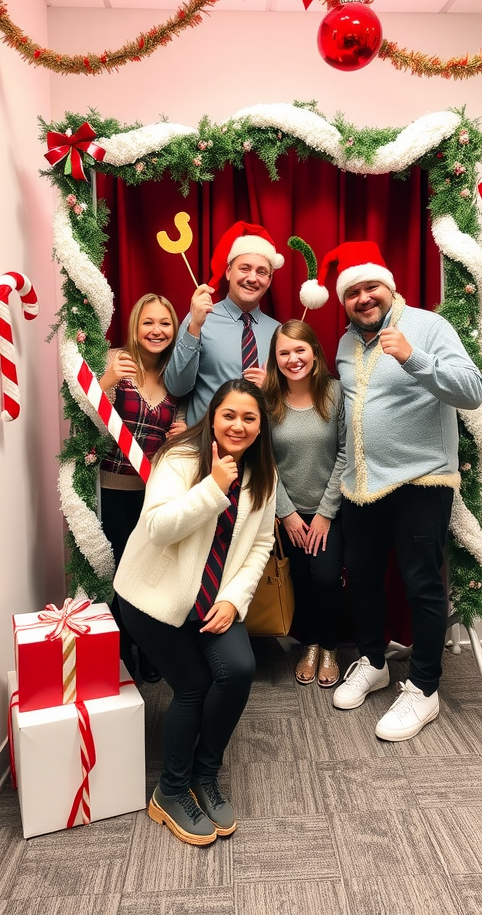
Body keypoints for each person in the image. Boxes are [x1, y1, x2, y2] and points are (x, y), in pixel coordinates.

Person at [301, 241, 482, 741]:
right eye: (353, 291)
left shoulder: (427, 326)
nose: (364, 297)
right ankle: (374, 660)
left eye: (372, 287)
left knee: (421, 583)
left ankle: (424, 688)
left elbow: (473, 390)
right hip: (363, 485)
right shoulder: (343, 343)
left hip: (421, 480)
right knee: (359, 577)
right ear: (344, 300)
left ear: (389, 286)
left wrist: (415, 358)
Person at [113, 379, 276, 845]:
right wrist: (213, 487)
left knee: (239, 669)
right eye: (229, 415)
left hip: (212, 598)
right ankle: (170, 790)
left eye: (249, 418)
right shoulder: (181, 458)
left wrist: (234, 599)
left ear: (261, 425)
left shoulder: (264, 471)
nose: (238, 426)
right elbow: (160, 528)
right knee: (194, 686)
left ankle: (205, 775)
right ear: (212, 415)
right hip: (153, 597)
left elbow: (260, 543)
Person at [99, 293, 186, 681]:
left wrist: (178, 435)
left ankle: (149, 647)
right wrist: (107, 381)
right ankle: (121, 651)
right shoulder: (116, 360)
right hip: (111, 487)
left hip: (153, 493)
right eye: (148, 322)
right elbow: (86, 416)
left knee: (148, 572)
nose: (157, 330)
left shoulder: (176, 375)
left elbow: (174, 435)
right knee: (117, 572)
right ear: (135, 325)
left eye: (165, 323)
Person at [264, 320, 345, 688]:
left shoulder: (336, 393)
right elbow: (265, 461)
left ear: (314, 351)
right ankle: (310, 645)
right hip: (289, 514)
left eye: (300, 350)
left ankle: (330, 646)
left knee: (327, 580)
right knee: (301, 582)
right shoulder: (267, 400)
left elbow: (346, 454)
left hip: (332, 510)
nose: (293, 358)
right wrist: (288, 513)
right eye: (284, 352)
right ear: (275, 357)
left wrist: (326, 514)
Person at [165, 221, 284, 425]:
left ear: (270, 280)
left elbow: (289, 400)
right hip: (204, 446)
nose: (253, 278)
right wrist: (194, 327)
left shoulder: (278, 332)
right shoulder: (201, 318)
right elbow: (176, 387)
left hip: (259, 447)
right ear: (229, 272)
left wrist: (271, 387)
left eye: (262, 272)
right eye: (244, 268)